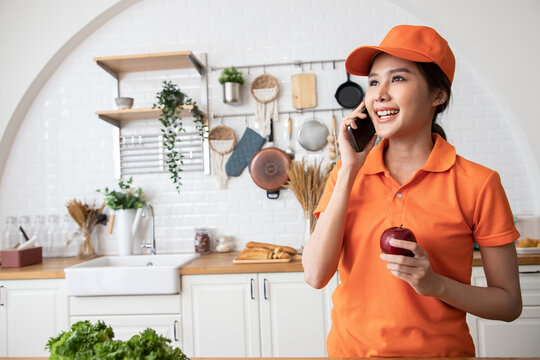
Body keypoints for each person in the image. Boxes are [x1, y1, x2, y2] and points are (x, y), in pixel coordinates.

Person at [302, 25, 522, 357]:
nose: (379, 94)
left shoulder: (478, 183)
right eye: (374, 82)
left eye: (398, 79)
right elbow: (316, 274)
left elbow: (508, 304)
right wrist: (349, 169)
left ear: (438, 95)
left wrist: (437, 286)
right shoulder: (346, 173)